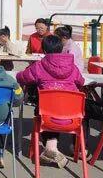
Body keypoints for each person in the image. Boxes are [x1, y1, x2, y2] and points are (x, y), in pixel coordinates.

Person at [17, 35, 85, 168]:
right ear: (61, 49)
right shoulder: (72, 66)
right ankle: (54, 148)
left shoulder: (39, 66)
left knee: (46, 108)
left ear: (44, 50)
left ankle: (50, 146)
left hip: (47, 116)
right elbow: (81, 82)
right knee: (56, 107)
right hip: (72, 116)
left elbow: (23, 78)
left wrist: (18, 74)